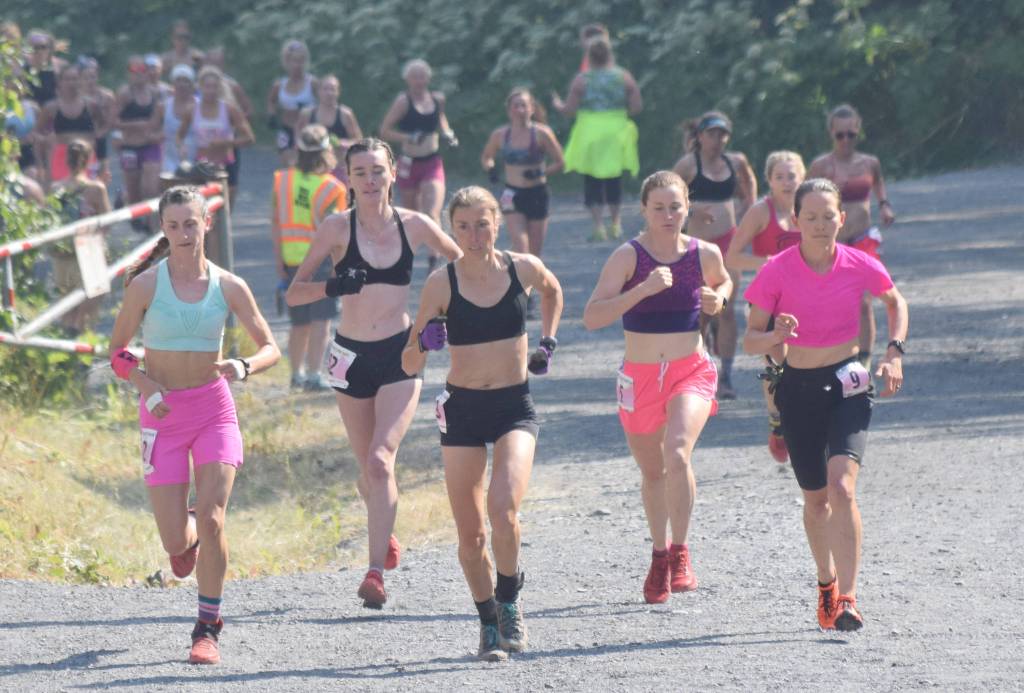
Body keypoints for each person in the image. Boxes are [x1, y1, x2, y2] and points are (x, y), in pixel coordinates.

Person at [285, 138, 461, 608]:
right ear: (348, 178)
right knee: (369, 471)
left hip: (401, 354)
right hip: (350, 357)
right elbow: (294, 293)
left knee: (382, 460)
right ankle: (386, 529)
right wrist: (335, 283)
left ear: (393, 174)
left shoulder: (417, 225)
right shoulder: (335, 229)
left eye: (377, 171)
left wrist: (439, 314)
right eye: (360, 172)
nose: (369, 180)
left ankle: (374, 574)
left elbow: (464, 266)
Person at [109, 185, 281, 664]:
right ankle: (187, 544)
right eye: (173, 225)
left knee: (213, 517)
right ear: (163, 230)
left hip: (213, 409)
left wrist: (244, 366)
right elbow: (118, 353)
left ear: (207, 224)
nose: (184, 233)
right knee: (175, 542)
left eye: (191, 223)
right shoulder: (146, 285)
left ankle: (207, 626)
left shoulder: (229, 286)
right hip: (161, 414)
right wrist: (147, 388)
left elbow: (271, 346)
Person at [402, 186, 563, 660]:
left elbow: (553, 291)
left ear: (498, 222)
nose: (474, 235)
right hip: (463, 410)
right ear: (452, 230)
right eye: (464, 226)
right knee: (471, 535)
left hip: (515, 406)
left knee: (503, 508)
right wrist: (426, 341)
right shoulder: (441, 283)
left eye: (483, 223)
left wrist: (548, 343)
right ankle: (488, 621)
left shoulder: (523, 268)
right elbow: (409, 362)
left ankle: (510, 600)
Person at [743, 178, 908, 631]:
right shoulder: (776, 270)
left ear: (843, 218)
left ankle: (850, 599)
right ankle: (826, 585)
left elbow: (895, 302)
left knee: (844, 488)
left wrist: (894, 351)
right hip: (797, 387)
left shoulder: (860, 263)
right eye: (810, 217)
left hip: (848, 384)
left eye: (828, 216)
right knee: (816, 502)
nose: (820, 225)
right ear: (795, 221)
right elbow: (749, 337)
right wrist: (775, 335)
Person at [582, 171, 732, 605]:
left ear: (688, 208)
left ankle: (682, 552)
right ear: (644, 210)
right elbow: (592, 317)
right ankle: (659, 553)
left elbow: (723, 280)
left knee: (678, 451)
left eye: (676, 207)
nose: (668, 216)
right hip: (641, 376)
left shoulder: (703, 252)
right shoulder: (628, 257)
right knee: (653, 473)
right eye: (659, 208)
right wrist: (641, 291)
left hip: (691, 368)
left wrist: (719, 299)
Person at [726, 150, 805, 463]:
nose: (787, 182)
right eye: (779, 177)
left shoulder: (809, 209)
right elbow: (732, 256)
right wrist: (769, 263)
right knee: (778, 366)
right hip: (767, 301)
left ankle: (809, 422)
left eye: (792, 176)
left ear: (803, 176)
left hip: (807, 300)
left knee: (808, 365)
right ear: (769, 181)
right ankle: (777, 423)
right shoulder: (761, 211)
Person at [672, 111, 757, 400]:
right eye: (711, 134)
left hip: (728, 244)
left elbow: (748, 184)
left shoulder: (736, 161)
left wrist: (749, 208)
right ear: (699, 136)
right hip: (696, 247)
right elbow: (667, 196)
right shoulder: (687, 164)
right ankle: (701, 368)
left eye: (722, 134)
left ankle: (727, 376)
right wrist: (693, 210)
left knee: (727, 309)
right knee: (700, 312)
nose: (717, 140)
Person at [809, 104, 896, 370]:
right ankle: (831, 354)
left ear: (858, 132)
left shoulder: (869, 162)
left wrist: (883, 204)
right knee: (827, 299)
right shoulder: (821, 165)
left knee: (864, 301)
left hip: (862, 239)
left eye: (851, 135)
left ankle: (865, 360)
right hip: (830, 243)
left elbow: (878, 181)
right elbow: (804, 197)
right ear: (831, 133)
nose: (846, 140)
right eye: (840, 135)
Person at [271, 124, 347, 390]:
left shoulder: (281, 180)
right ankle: (314, 374)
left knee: (299, 322)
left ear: (298, 150)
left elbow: (276, 223)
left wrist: (279, 262)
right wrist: (340, 267)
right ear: (327, 151)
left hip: (291, 259)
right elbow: (336, 231)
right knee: (321, 320)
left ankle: (296, 374)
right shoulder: (333, 188)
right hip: (322, 261)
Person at [555, 37, 642, 241]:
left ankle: (598, 226)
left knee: (592, 179)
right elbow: (637, 107)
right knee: (614, 178)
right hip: (616, 130)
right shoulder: (624, 77)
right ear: (610, 54)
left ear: (589, 56)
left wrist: (557, 104)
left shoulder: (583, 79)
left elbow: (569, 110)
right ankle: (616, 224)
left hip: (590, 130)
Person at [379, 58, 458, 272]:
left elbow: (441, 120)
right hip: (408, 164)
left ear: (428, 78)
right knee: (411, 213)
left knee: (432, 211)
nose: (419, 81)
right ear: (407, 79)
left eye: (422, 76)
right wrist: (407, 137)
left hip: (432, 162)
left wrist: (448, 134)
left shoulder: (437, 99)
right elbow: (384, 130)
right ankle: (407, 258)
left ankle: (435, 261)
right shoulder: (403, 102)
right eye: (415, 77)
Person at [480, 87, 564, 260]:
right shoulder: (500, 135)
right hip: (511, 193)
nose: (520, 110)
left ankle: (532, 283)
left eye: (524, 106)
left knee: (534, 252)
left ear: (532, 109)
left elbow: (560, 162)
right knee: (520, 246)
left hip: (537, 193)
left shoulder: (542, 133)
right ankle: (521, 285)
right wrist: (491, 169)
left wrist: (540, 172)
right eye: (516, 106)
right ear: (509, 110)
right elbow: (487, 156)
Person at [49, 139, 111, 334]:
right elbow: (107, 221)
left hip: (63, 250)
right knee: (92, 296)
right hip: (89, 247)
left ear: (66, 160)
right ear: (88, 160)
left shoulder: (55, 188)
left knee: (67, 301)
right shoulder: (96, 188)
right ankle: (81, 337)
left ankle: (69, 346)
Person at [179, 66, 254, 204]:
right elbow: (180, 136)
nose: (211, 91)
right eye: (207, 86)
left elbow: (249, 138)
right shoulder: (191, 110)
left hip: (226, 163)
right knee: (203, 209)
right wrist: (183, 151)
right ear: (200, 87)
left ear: (220, 88)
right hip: (202, 164)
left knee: (225, 208)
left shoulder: (230, 110)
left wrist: (226, 142)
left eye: (214, 87)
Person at [115, 56, 164, 230]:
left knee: (151, 187)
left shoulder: (155, 93)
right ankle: (135, 215)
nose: (139, 75)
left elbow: (160, 118)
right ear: (129, 74)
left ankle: (153, 225)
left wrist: (157, 133)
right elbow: (112, 121)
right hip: (130, 146)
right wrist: (134, 125)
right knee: (134, 188)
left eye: (142, 70)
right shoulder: (125, 94)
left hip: (150, 144)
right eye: (134, 71)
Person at [36, 63, 105, 185]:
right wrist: (46, 140)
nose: (71, 83)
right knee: (63, 194)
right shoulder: (51, 107)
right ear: (60, 82)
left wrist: (97, 137)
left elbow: (103, 125)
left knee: (88, 192)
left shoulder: (92, 105)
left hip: (86, 154)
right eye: (67, 79)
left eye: (75, 79)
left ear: (80, 81)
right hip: (62, 155)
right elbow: (36, 133)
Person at [295, 74, 363, 184]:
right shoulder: (307, 114)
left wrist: (342, 143)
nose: (329, 93)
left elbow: (358, 140)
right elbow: (298, 137)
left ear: (338, 92)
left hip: (338, 168)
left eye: (333, 89)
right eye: (325, 89)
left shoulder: (345, 114)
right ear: (319, 92)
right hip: (312, 168)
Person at [266, 39, 317, 168]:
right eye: (294, 60)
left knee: (306, 165)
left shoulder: (312, 83)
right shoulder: (280, 84)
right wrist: (272, 115)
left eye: (301, 60)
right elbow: (271, 100)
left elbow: (323, 103)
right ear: (287, 62)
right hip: (286, 129)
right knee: (288, 165)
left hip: (307, 130)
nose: (297, 65)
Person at [77, 56, 115, 183]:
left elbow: (110, 121)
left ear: (97, 77)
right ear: (80, 78)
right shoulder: (75, 96)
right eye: (86, 77)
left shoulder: (107, 96)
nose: (90, 81)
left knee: (102, 176)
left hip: (99, 139)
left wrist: (99, 135)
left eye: (93, 77)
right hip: (80, 138)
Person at [161, 64, 198, 174]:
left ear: (191, 84)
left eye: (186, 81)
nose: (182, 84)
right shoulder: (163, 106)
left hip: (197, 159)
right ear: (173, 83)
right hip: (170, 159)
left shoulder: (200, 105)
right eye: (178, 80)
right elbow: (151, 130)